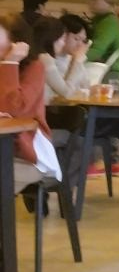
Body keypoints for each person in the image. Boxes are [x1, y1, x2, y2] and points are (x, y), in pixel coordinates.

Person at [32, 16, 119, 202]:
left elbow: (83, 88)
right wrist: (76, 63)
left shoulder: (72, 60)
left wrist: (92, 88)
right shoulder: (48, 60)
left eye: (83, 40)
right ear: (58, 35)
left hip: (78, 114)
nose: (80, 45)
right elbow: (67, 92)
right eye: (74, 38)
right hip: (64, 118)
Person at [0, 14, 60, 195]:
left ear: (17, 42)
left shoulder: (35, 68)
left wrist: (10, 62)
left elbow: (15, 109)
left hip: (25, 154)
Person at [84, 0, 119, 81]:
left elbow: (97, 50)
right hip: (107, 71)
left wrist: (74, 60)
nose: (90, 2)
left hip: (108, 73)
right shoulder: (101, 20)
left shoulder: (109, 22)